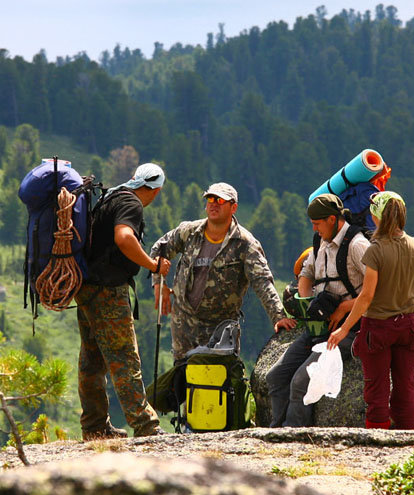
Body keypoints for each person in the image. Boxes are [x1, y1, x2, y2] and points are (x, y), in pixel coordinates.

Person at [76, 162, 172, 440]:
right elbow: (124, 237)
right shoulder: (132, 204)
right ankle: (146, 425)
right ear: (155, 190)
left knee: (92, 359)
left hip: (86, 288)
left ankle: (94, 427)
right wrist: (153, 265)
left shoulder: (112, 197)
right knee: (124, 357)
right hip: (108, 291)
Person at [150, 182, 296, 361]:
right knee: (182, 381)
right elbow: (160, 249)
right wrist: (159, 283)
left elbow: (262, 281)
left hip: (221, 330)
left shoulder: (245, 243)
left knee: (219, 383)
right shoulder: (189, 232)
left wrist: (278, 316)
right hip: (183, 325)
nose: (213, 203)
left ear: (233, 207)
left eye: (220, 200)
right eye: (210, 198)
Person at [327, 191, 414, 429]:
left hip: (378, 328)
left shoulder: (375, 250)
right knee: (406, 387)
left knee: (377, 389)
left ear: (376, 217)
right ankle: (407, 442)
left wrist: (344, 330)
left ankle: (378, 441)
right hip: (409, 325)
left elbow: (367, 296)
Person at [265, 193, 369, 427]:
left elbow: (378, 291)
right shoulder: (320, 242)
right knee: (276, 376)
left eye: (317, 223)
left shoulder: (358, 245)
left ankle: (294, 435)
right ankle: (276, 431)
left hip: (348, 329)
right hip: (319, 327)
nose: (314, 228)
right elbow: (306, 274)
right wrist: (306, 302)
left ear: (332, 219)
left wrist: (343, 308)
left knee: (302, 380)